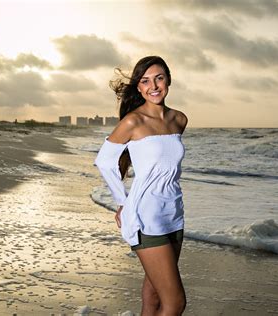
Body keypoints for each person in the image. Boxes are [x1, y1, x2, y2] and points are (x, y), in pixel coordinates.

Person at [94, 56, 188, 316]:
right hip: (146, 216)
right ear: (139, 88)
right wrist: (122, 202)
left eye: (159, 78)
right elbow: (104, 161)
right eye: (145, 81)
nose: (154, 86)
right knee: (176, 303)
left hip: (174, 213)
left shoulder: (179, 119)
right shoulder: (133, 122)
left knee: (155, 292)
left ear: (168, 79)